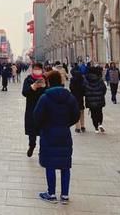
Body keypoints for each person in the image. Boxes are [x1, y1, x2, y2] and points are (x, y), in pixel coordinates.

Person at [33, 70, 80, 204]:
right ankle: (65, 195)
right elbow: (76, 115)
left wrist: (44, 126)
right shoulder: (69, 97)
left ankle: (51, 193)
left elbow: (37, 116)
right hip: (64, 133)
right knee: (65, 165)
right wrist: (65, 124)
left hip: (49, 133)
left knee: (50, 164)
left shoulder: (45, 98)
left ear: (48, 82)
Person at [22, 63, 47, 157]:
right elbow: (24, 92)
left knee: (43, 131)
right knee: (32, 131)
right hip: (31, 108)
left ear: (42, 69)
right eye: (35, 69)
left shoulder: (46, 79)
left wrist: (44, 87)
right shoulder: (28, 79)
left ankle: (42, 150)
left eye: (39, 69)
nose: (37, 70)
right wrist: (33, 87)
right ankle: (32, 146)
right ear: (32, 69)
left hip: (43, 109)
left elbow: (50, 92)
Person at [84, 66, 107, 133]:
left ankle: (96, 127)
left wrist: (87, 95)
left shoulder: (86, 79)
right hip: (99, 99)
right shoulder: (99, 79)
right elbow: (104, 89)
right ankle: (100, 123)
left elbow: (84, 89)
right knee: (99, 112)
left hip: (90, 100)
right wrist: (101, 94)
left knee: (93, 114)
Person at [69, 63, 86, 133]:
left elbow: (71, 88)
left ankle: (77, 127)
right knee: (81, 111)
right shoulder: (82, 79)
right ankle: (83, 126)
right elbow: (84, 88)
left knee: (76, 112)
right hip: (81, 97)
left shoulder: (72, 80)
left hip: (74, 97)